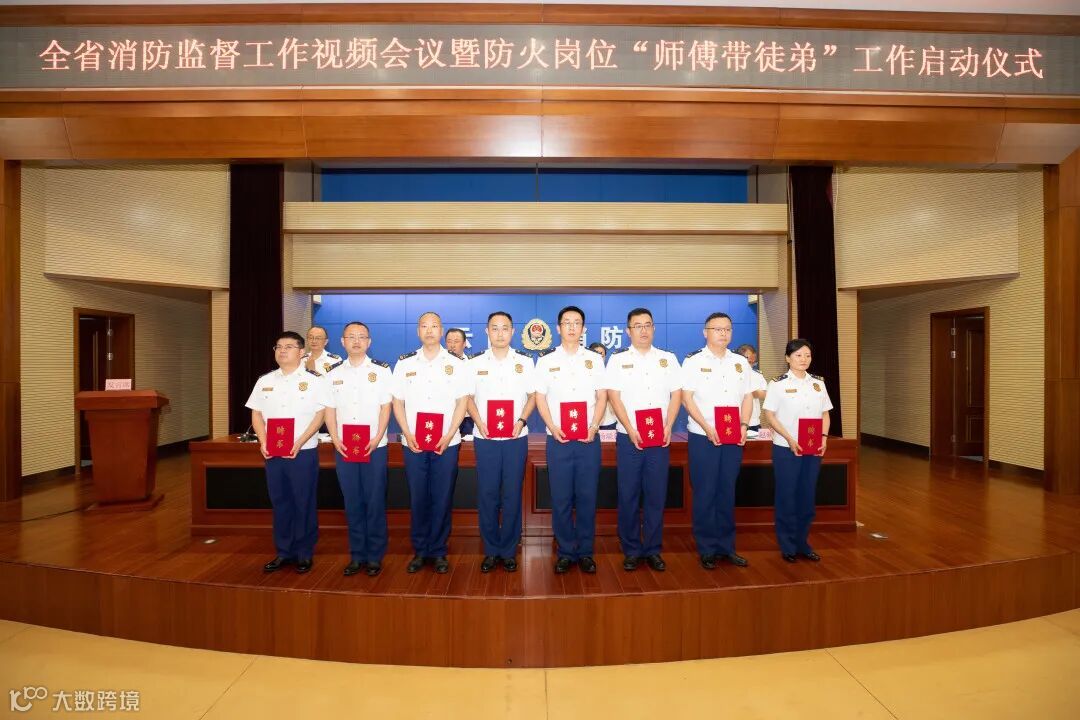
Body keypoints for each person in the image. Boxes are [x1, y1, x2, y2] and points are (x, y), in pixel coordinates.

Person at [604, 308, 682, 572]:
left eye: (648, 325)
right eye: (637, 326)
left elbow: (676, 394)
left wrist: (669, 425)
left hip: (659, 438)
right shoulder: (618, 360)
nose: (643, 330)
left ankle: (652, 548)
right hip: (629, 437)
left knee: (655, 494)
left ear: (654, 328)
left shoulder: (668, 359)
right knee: (628, 494)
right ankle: (631, 549)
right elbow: (614, 396)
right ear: (628, 331)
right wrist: (629, 428)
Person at [392, 312, 470, 574]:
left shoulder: (456, 364)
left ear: (441, 330)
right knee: (418, 497)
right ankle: (420, 549)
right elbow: (397, 402)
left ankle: (438, 550)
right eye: (424, 326)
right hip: (413, 442)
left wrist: (450, 434)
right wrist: (406, 432)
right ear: (418, 331)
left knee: (442, 496)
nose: (429, 330)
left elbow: (462, 402)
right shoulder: (404, 363)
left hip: (446, 442)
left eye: (434, 326)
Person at [246, 331, 330, 574]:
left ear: (301, 352)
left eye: (289, 346)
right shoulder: (265, 380)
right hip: (273, 452)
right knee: (280, 501)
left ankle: (304, 552)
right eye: (279, 346)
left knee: (303, 501)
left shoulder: (315, 380)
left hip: (302, 452)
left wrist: (300, 441)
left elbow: (321, 414)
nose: (282, 350)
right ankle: (284, 551)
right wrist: (263, 441)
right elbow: (256, 413)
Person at [534, 305, 607, 574]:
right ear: (558, 328)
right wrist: (552, 426)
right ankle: (565, 551)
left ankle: (585, 551)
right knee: (561, 498)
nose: (572, 327)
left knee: (587, 497)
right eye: (567, 322)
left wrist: (594, 425)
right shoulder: (546, 361)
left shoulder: (595, 360)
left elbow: (602, 396)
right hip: (559, 439)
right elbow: (540, 397)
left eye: (577, 323)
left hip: (588, 439)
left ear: (584, 329)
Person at [681, 313, 754, 569]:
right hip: (704, 436)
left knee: (727, 491)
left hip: (733, 435)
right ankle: (707, 548)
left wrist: (744, 425)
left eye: (727, 329)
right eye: (717, 329)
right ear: (705, 332)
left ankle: (726, 546)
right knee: (705, 492)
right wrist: (706, 426)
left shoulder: (740, 363)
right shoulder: (693, 361)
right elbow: (687, 399)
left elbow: (747, 397)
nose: (723, 333)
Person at [466, 311, 536, 573]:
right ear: (487, 331)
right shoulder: (474, 363)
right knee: (487, 494)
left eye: (505, 328)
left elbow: (533, 396)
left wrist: (522, 420)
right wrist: (479, 422)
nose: (500, 333)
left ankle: (508, 550)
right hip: (485, 438)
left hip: (516, 438)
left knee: (512, 493)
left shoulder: (524, 362)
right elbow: (467, 397)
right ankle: (490, 549)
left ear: (512, 332)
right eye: (494, 328)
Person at [323, 321, 392, 577]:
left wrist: (378, 436)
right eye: (351, 337)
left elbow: (386, 407)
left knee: (374, 500)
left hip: (374, 445)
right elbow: (329, 409)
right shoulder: (332, 373)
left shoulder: (381, 371)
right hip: (344, 446)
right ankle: (357, 554)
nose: (356, 341)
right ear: (342, 342)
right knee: (352, 501)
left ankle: (374, 555)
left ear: (369, 342)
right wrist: (334, 438)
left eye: (361, 336)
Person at [762, 339, 833, 563]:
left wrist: (824, 438)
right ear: (788, 358)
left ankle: (803, 543)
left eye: (807, 355)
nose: (803, 359)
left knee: (807, 496)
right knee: (787, 497)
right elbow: (770, 415)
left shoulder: (818, 383)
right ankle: (787, 545)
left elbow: (825, 414)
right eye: (798, 355)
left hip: (812, 448)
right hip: (786, 448)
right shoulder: (778, 384)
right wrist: (789, 438)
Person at [446, 328, 474, 437]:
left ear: (464, 344)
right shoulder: (438, 365)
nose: (452, 345)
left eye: (456, 341)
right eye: (449, 341)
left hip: (467, 418)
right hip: (446, 416)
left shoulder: (473, 365)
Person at [735, 343, 768, 432]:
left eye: (754, 363)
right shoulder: (730, 374)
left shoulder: (757, 374)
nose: (751, 365)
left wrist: (749, 393)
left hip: (754, 422)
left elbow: (765, 394)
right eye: (749, 362)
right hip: (735, 421)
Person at [589, 342, 618, 429]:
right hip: (590, 421)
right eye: (595, 354)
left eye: (601, 355)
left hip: (609, 421)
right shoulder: (583, 375)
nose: (598, 358)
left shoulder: (612, 374)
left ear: (605, 356)